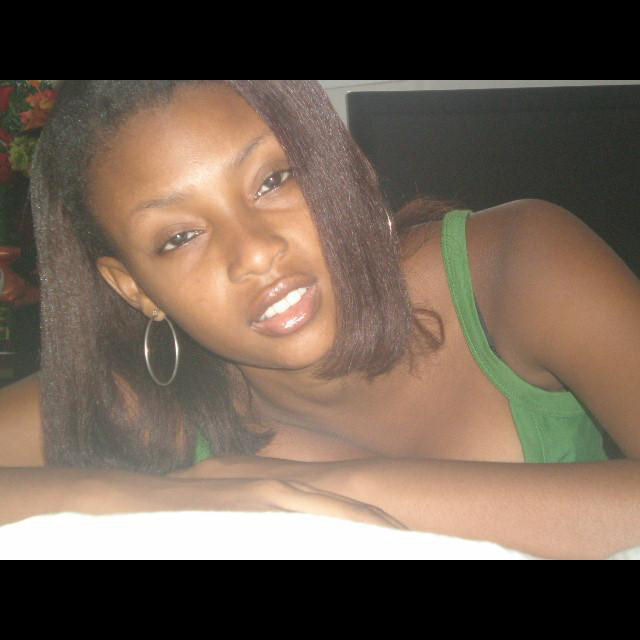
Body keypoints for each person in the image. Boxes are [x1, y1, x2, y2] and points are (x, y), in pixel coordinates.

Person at [0, 80, 639, 558]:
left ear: (342, 166)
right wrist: (149, 497)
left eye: (273, 179)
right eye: (179, 237)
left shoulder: (518, 263)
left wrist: (317, 489)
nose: (255, 253)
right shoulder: (139, 400)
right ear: (135, 288)